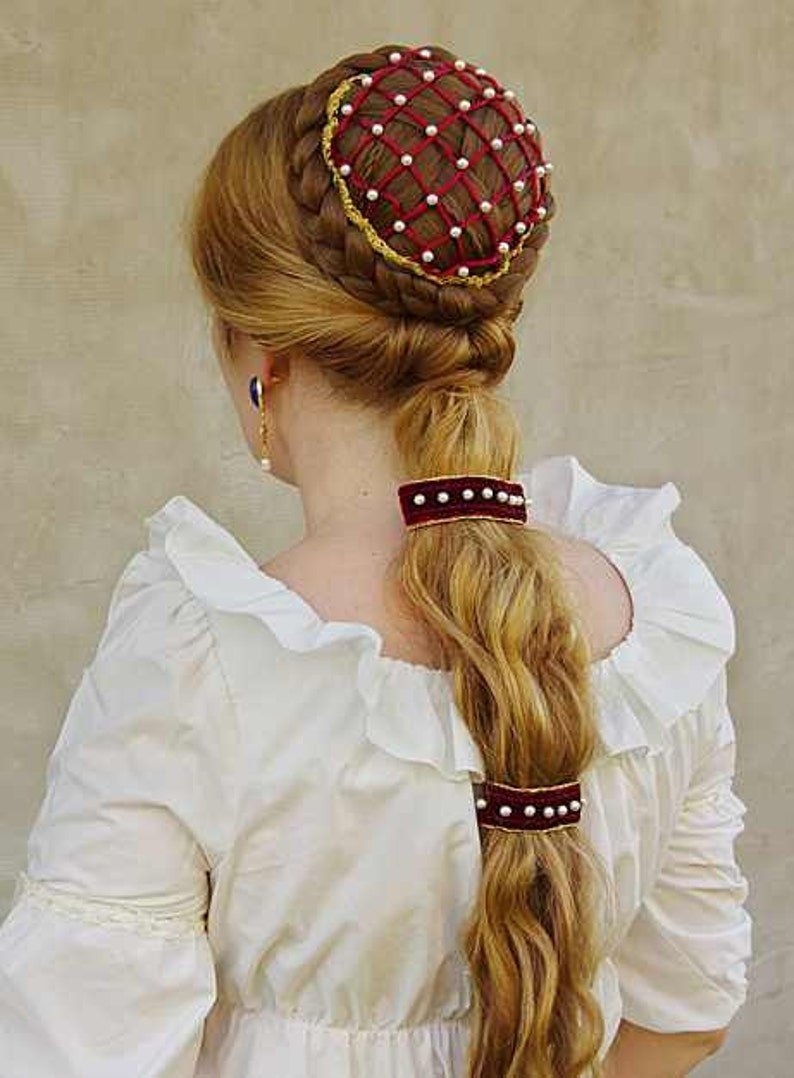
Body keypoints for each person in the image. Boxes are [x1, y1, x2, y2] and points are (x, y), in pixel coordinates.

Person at [0, 41, 751, 1078]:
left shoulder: (196, 663)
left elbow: (74, 1057)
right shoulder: (653, 625)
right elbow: (687, 1016)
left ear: (259, 357)